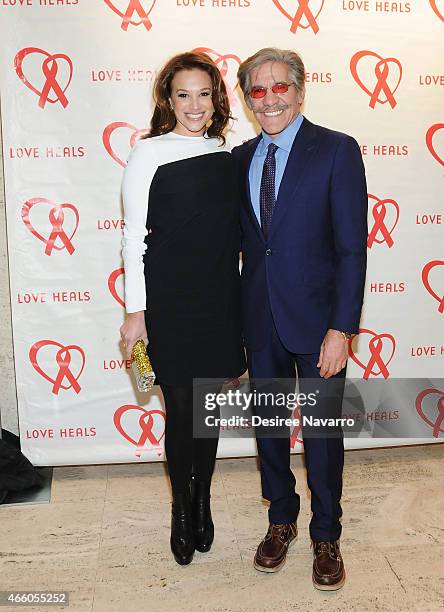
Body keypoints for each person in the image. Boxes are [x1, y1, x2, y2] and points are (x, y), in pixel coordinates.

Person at [232, 48, 368, 589]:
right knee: (267, 427)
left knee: (322, 435)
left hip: (318, 324)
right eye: (257, 90)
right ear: (247, 99)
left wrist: (342, 329)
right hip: (259, 318)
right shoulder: (240, 157)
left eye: (279, 87)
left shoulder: (336, 150)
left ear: (300, 90)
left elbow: (352, 249)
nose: (270, 99)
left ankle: (327, 531)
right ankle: (280, 519)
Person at [120, 52, 246, 566]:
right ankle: (180, 507)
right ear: (167, 100)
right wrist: (136, 312)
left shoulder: (231, 150)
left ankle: (204, 503)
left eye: (203, 93)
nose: (194, 105)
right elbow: (133, 239)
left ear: (217, 97)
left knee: (208, 408)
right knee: (180, 411)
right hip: (169, 301)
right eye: (183, 94)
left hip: (220, 298)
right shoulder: (147, 153)